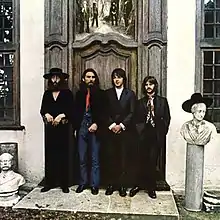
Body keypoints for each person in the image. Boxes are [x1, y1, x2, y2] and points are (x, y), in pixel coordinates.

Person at [129, 76, 171, 199]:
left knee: (152, 162)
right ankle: (138, 185)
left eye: (151, 84)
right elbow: (135, 120)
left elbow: (167, 118)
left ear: (155, 86)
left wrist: (161, 129)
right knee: (140, 161)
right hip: (142, 135)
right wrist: (140, 131)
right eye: (146, 84)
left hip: (155, 135)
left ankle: (151, 188)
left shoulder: (162, 101)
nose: (148, 87)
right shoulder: (140, 102)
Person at [40, 68, 75, 193]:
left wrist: (62, 115)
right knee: (50, 156)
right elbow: (43, 109)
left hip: (63, 130)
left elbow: (72, 110)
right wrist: (47, 114)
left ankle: (64, 184)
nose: (55, 80)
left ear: (61, 79)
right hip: (50, 130)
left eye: (57, 77)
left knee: (63, 156)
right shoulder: (47, 94)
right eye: (53, 77)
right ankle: (49, 183)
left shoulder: (67, 94)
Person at [104, 68, 136, 197]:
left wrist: (121, 125)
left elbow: (132, 112)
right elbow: (104, 111)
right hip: (110, 131)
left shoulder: (130, 94)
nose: (117, 80)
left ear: (124, 79)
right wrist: (112, 125)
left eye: (119, 77)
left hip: (125, 131)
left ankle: (122, 186)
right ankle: (111, 184)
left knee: (123, 159)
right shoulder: (107, 93)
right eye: (114, 77)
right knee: (111, 158)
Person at [75, 68, 105, 195]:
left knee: (95, 158)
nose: (90, 79)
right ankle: (82, 183)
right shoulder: (79, 94)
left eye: (93, 77)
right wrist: (76, 128)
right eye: (88, 77)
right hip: (82, 127)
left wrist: (97, 123)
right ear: (83, 79)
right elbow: (75, 112)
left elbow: (104, 113)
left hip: (95, 128)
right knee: (82, 158)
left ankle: (94, 184)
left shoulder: (101, 94)